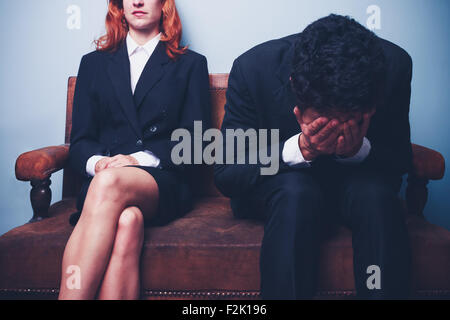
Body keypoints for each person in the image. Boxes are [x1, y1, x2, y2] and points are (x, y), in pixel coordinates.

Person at [214, 14, 412, 299]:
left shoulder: (394, 67)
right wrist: (300, 149)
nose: (336, 126)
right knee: (297, 193)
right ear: (295, 87)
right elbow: (228, 173)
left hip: (356, 186)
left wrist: (360, 149)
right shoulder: (253, 68)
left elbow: (399, 159)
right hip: (281, 190)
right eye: (324, 118)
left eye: (348, 118)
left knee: (376, 197)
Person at [59, 0, 211, 299]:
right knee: (128, 221)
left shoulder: (190, 63)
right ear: (120, 5)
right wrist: (99, 163)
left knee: (110, 183)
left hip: (162, 180)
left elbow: (197, 142)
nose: (138, 1)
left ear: (164, 4)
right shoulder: (93, 64)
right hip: (103, 182)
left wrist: (134, 160)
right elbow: (80, 142)